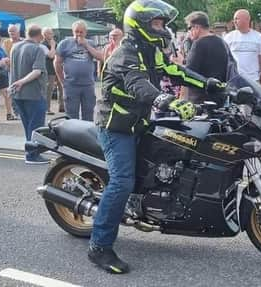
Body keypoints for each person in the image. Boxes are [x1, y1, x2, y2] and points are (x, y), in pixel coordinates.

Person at [91, 0, 215, 274]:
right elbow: (138, 86)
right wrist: (167, 101)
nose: (162, 29)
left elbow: (174, 70)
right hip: (116, 127)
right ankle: (99, 247)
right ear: (141, 24)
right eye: (157, 24)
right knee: (122, 182)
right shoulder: (125, 54)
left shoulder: (150, 50)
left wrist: (208, 84)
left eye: (162, 24)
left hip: (139, 122)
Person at [9, 25, 49, 165]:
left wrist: (16, 84)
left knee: (27, 125)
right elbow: (37, 71)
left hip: (18, 94)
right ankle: (32, 155)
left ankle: (29, 152)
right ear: (40, 36)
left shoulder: (15, 47)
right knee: (36, 127)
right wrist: (22, 81)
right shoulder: (38, 49)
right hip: (34, 93)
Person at [54, 20, 104, 121]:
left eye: (81, 32)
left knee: (88, 114)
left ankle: (86, 136)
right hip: (71, 85)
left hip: (88, 85)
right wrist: (62, 81)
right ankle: (72, 136)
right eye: (76, 31)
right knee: (71, 116)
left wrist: (86, 45)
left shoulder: (91, 43)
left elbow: (100, 57)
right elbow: (57, 62)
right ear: (72, 31)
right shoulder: (64, 44)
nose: (79, 34)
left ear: (85, 32)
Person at [183, 11, 230, 106]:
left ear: (197, 27)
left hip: (200, 98)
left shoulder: (198, 44)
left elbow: (188, 74)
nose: (188, 31)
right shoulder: (221, 42)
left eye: (189, 28)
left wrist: (180, 63)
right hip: (219, 95)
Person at [224, 9, 261, 85]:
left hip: (253, 80)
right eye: (234, 19)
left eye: (237, 19)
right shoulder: (228, 37)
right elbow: (224, 59)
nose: (234, 21)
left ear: (247, 19)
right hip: (233, 79)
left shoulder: (259, 37)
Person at [41, 27, 62, 115]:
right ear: (44, 35)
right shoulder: (43, 44)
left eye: (51, 33)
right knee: (49, 89)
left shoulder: (56, 43)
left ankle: (62, 106)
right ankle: (47, 108)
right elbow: (51, 56)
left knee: (61, 86)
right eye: (48, 33)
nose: (51, 35)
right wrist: (53, 46)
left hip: (58, 67)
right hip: (49, 68)